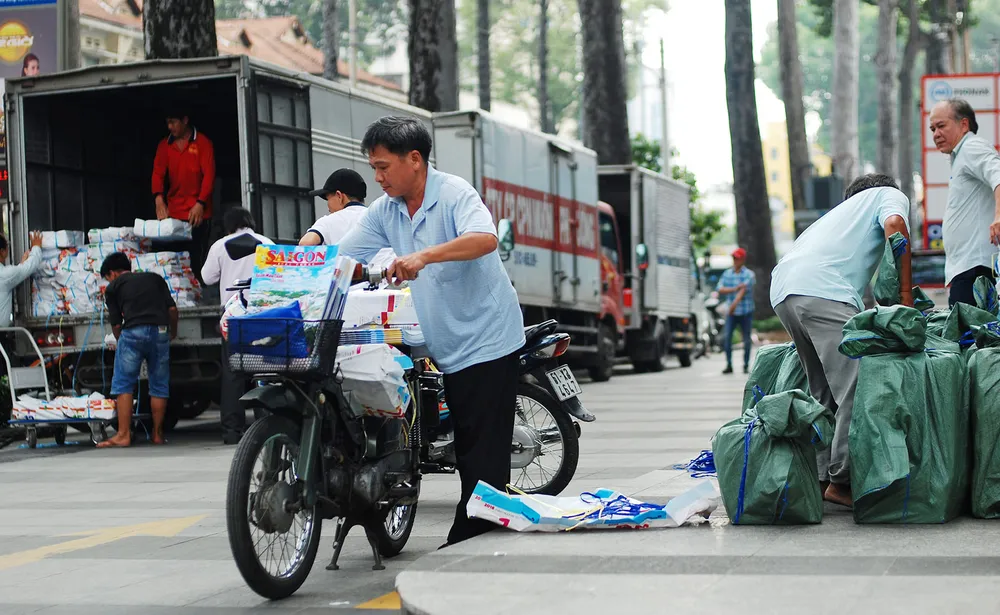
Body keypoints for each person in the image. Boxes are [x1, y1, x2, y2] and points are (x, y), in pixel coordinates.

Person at [338, 116, 525, 546]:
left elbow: (484, 238)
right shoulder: (385, 211)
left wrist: (424, 256)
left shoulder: (455, 194)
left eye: (384, 167)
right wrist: (292, 269)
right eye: (374, 168)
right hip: (449, 343)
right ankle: (478, 531)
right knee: (467, 445)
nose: (378, 177)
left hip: (489, 337)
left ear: (415, 160)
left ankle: (473, 536)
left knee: (481, 449)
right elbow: (341, 256)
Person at [770, 173, 912, 508]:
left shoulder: (837, 217)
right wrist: (905, 294)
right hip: (822, 290)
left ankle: (821, 478)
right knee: (856, 385)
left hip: (783, 290)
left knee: (822, 392)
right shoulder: (887, 195)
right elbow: (895, 225)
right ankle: (842, 481)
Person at [202, 208, 271, 444]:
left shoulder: (220, 246)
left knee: (233, 373)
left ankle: (232, 432)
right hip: (263, 312)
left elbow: (207, 277)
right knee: (265, 370)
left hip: (233, 314)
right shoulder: (266, 242)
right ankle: (267, 425)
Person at [98, 252, 178, 448]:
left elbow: (116, 324)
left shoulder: (113, 287)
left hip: (133, 332)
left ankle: (123, 435)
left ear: (112, 274)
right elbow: (173, 310)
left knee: (124, 384)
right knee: (159, 384)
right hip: (160, 330)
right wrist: (171, 333)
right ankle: (157, 434)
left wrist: (121, 341)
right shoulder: (155, 278)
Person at [929, 98, 1000, 306]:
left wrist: (999, 216)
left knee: (968, 338)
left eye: (941, 126)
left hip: (976, 270)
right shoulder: (960, 157)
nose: (935, 134)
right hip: (966, 269)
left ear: (964, 124)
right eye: (932, 128)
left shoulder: (972, 147)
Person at [151, 107, 216, 276]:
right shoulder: (164, 146)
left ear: (185, 120)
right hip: (174, 211)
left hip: (199, 212)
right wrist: (159, 199)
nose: (170, 127)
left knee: (196, 260)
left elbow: (209, 176)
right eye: (168, 123)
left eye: (173, 122)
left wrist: (200, 203)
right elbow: (158, 173)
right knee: (174, 261)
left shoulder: (203, 143)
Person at [299, 168, 369, 246]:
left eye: (328, 199)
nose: (328, 206)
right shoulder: (375, 217)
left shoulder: (328, 222)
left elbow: (305, 244)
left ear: (339, 196)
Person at [716, 247, 755, 375]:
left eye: (737, 258)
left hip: (745, 311)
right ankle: (728, 364)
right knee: (727, 338)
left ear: (742, 259)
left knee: (746, 339)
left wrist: (732, 306)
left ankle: (745, 365)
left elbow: (742, 291)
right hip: (731, 313)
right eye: (733, 258)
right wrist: (734, 289)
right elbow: (720, 289)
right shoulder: (727, 273)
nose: (735, 261)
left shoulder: (749, 274)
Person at [0, 231, 42, 325]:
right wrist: (36, 246)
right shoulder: (4, 274)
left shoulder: (5, 275)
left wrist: (21, 265)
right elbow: (32, 265)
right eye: (7, 247)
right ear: (2, 251)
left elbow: (15, 275)